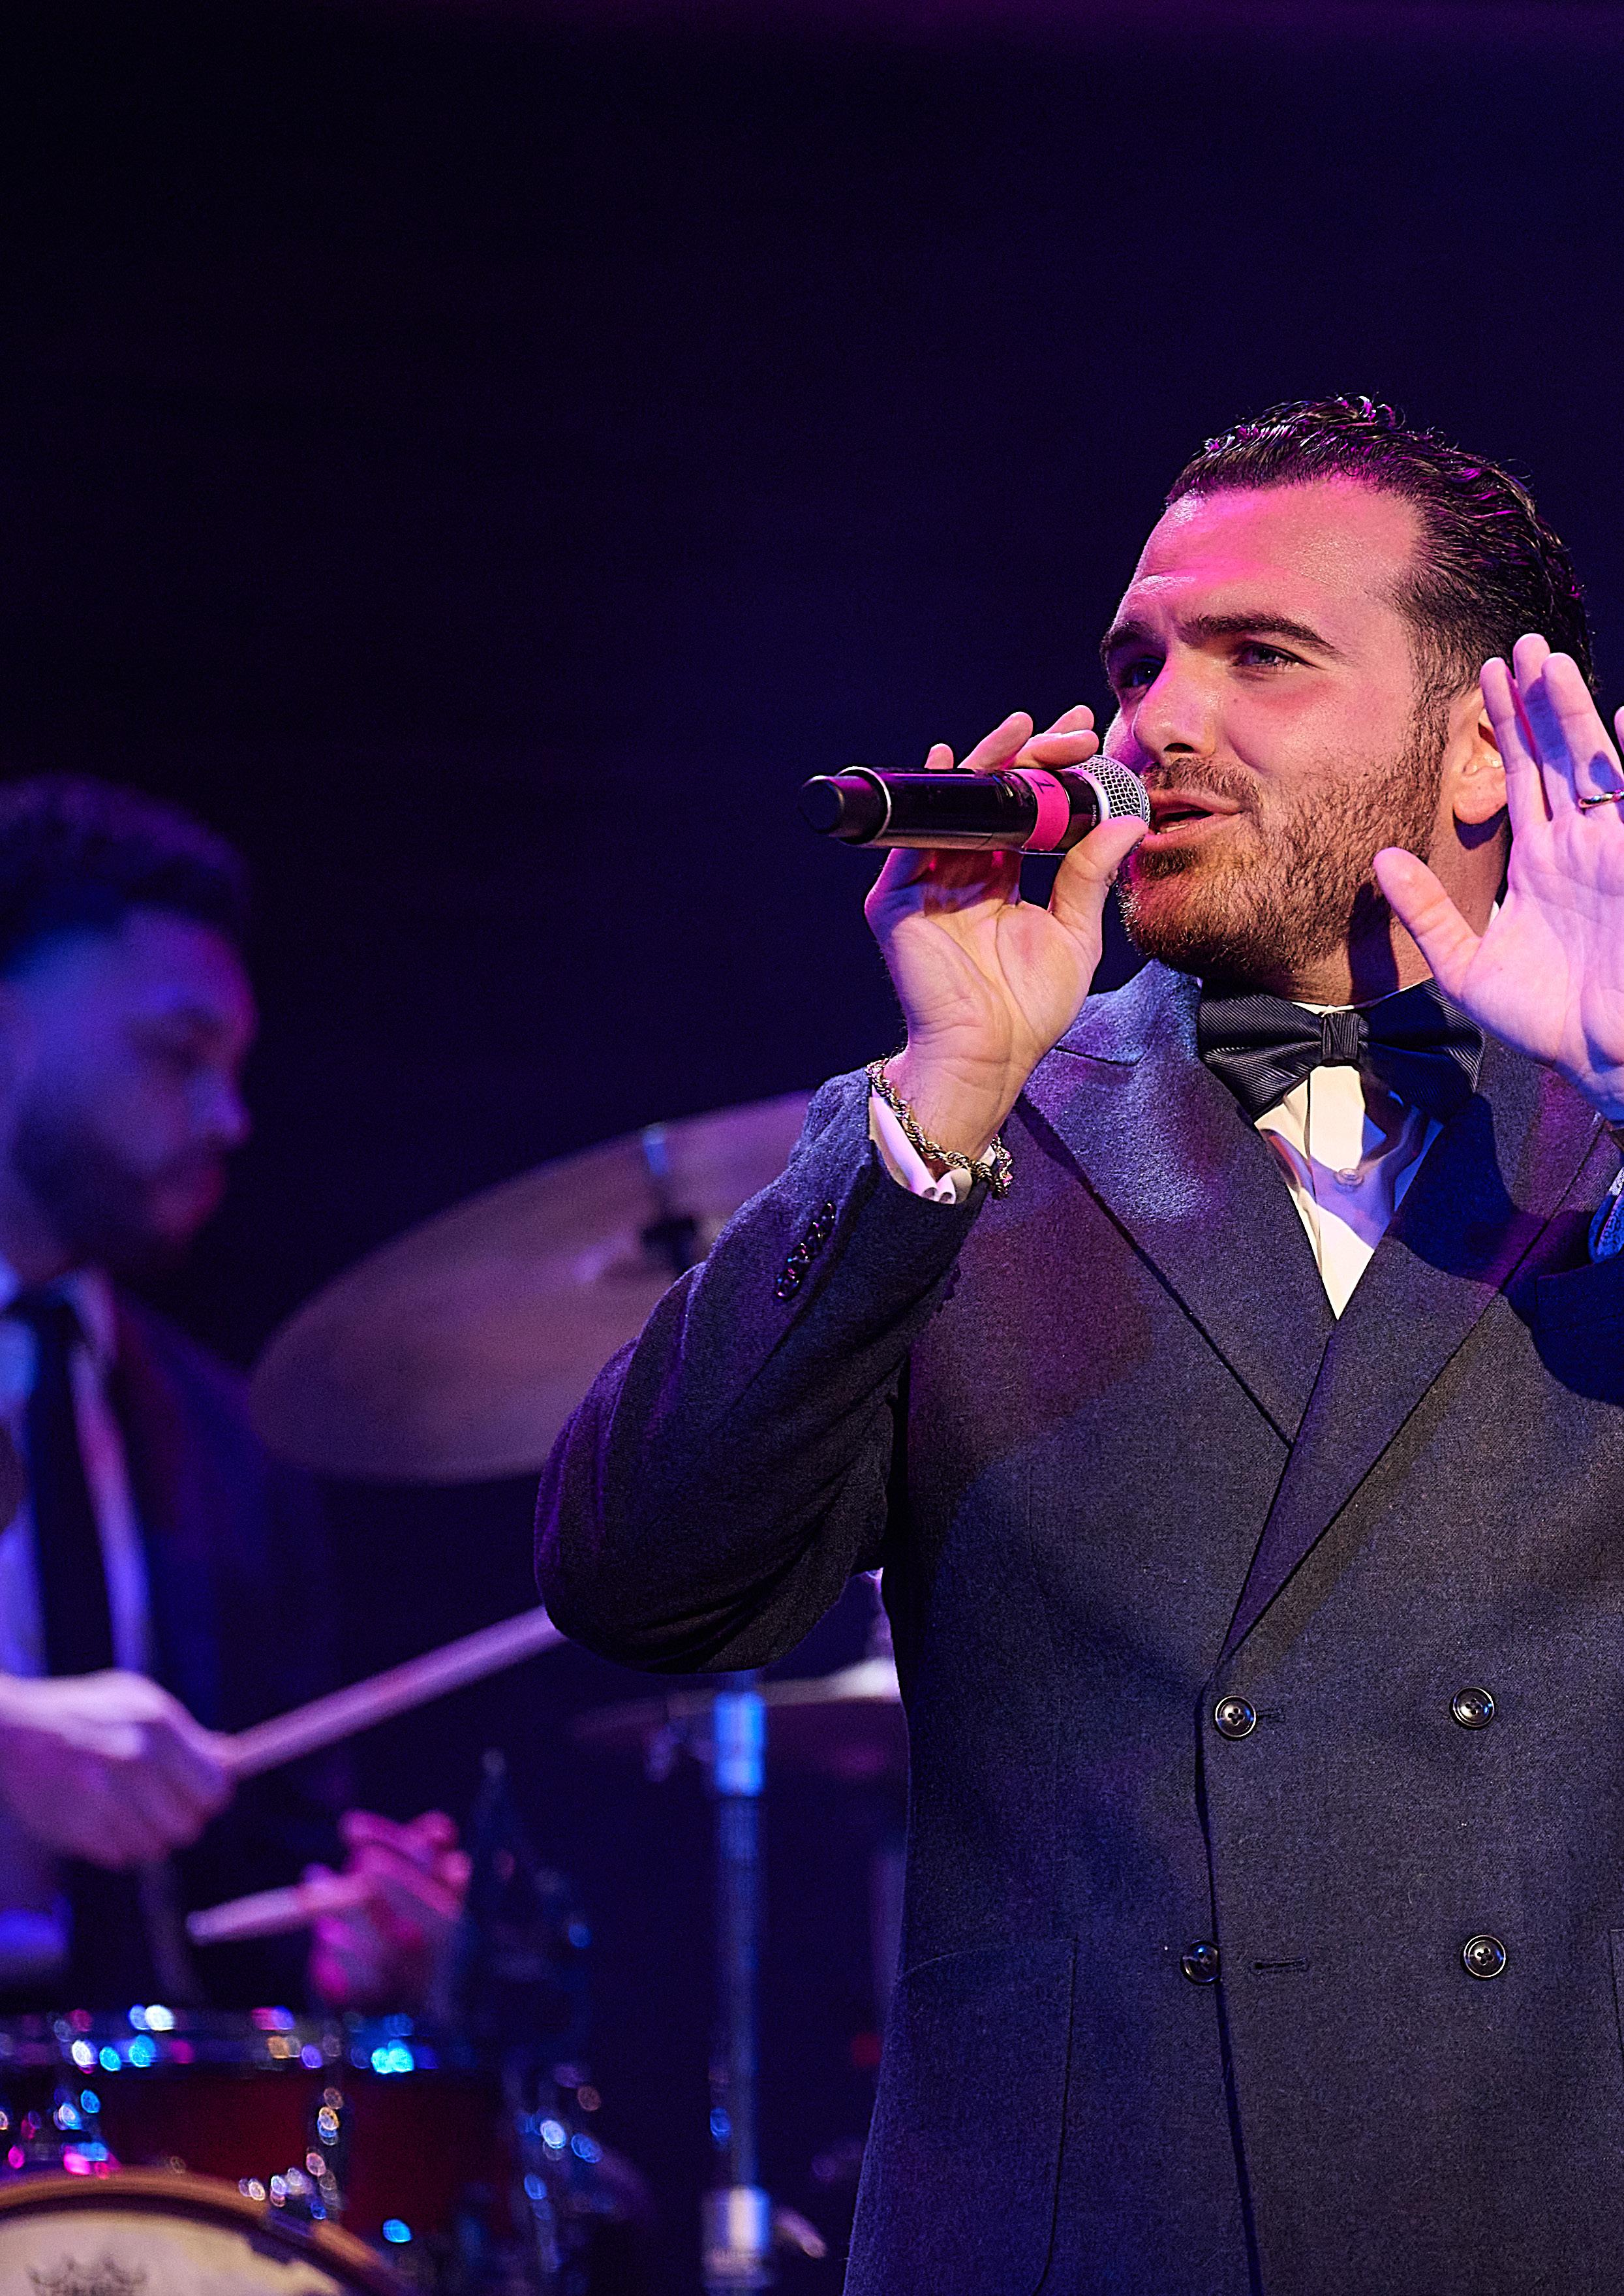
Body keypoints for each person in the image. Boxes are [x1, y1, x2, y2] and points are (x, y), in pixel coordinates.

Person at [537, 397, 1624, 2295]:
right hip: (1089, 2230)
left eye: (1261, 655)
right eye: (1137, 662)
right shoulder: (959, 1138)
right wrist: (946, 1087)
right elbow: (641, 1584)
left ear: (1480, 745)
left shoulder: (1608, 1125)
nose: (1157, 722)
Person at [0, 776, 466, 2015]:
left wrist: (346, 1943)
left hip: (130, 2103)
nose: (228, 1118)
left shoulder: (228, 1444)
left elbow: (254, 1883)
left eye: (233, 1068)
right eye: (176, 1054)